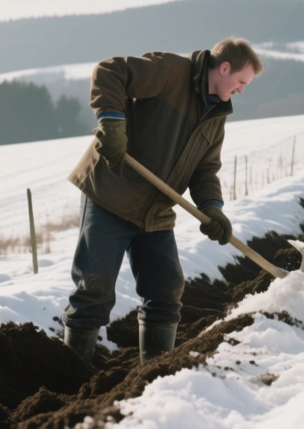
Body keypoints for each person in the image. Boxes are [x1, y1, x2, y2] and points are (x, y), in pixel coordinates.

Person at [62, 37, 263, 364]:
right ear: (224, 68)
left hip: (155, 211)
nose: (241, 90)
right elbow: (110, 71)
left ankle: (154, 373)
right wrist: (112, 122)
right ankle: (69, 374)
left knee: (166, 290)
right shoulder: (172, 71)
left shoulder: (217, 115)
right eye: (241, 82)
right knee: (94, 289)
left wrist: (213, 207)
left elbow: (206, 168)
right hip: (112, 193)